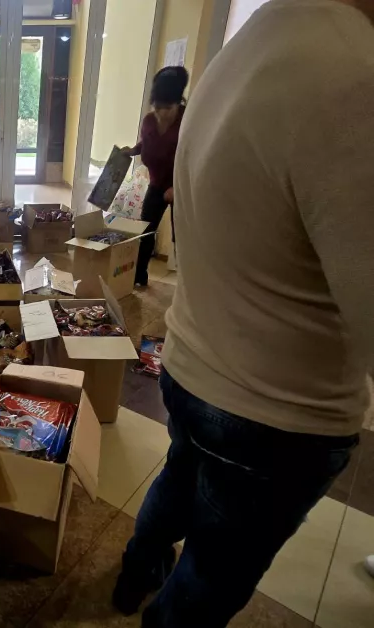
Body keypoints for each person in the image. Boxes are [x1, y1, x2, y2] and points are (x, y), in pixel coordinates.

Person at [112, 1, 371, 626]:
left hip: (189, 362)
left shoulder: (247, 47)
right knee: (213, 571)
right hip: (273, 411)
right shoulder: (356, 75)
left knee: (177, 482)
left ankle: (133, 572)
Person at [122, 66, 188, 287]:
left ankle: (186, 285)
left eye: (167, 108)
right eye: (157, 107)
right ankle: (139, 276)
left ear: (178, 102)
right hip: (157, 184)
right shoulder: (149, 121)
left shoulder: (188, 121)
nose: (161, 113)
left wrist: (177, 187)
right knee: (145, 231)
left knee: (181, 237)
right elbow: (147, 143)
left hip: (181, 187)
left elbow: (193, 157)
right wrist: (133, 150)